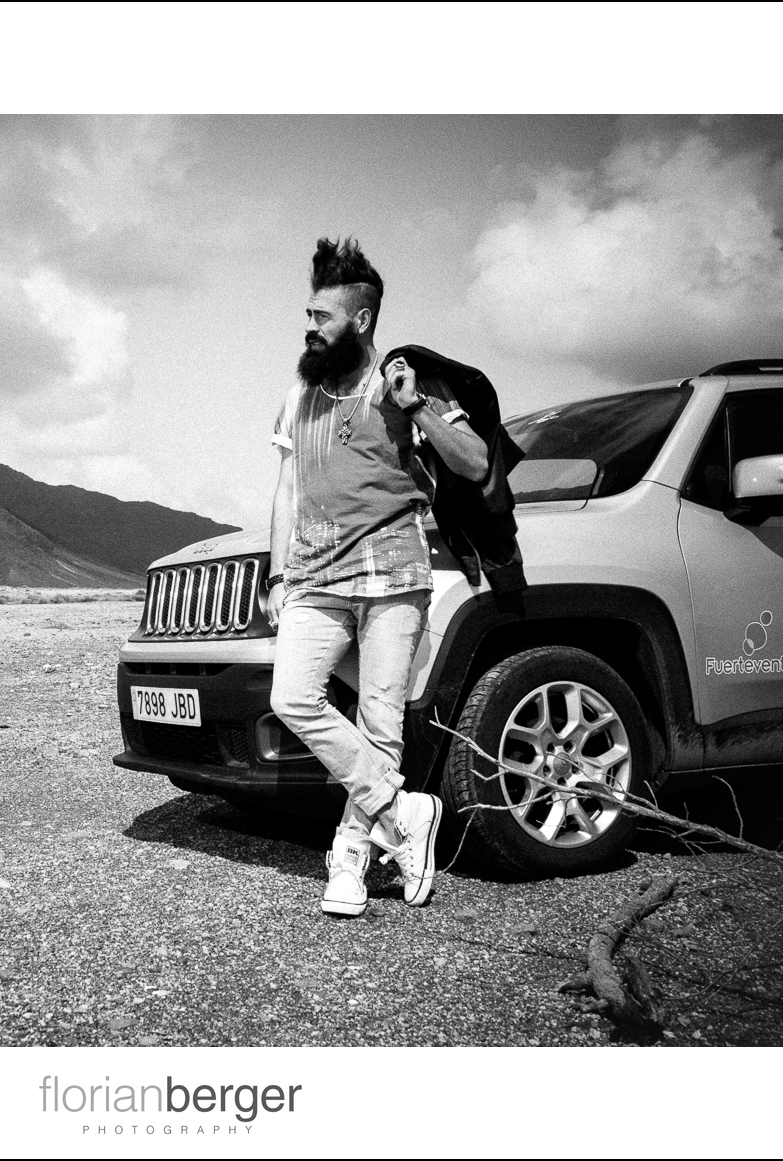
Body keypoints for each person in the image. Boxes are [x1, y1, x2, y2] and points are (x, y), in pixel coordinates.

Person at [266, 237, 489, 917]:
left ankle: (351, 860)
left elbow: (475, 462)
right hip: (314, 576)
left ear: (360, 320)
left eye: (322, 316)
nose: (309, 326)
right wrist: (276, 576)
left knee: (380, 725)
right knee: (292, 697)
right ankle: (404, 813)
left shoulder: (403, 383)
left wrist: (416, 407)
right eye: (308, 314)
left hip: (393, 574)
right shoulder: (298, 395)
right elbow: (285, 490)